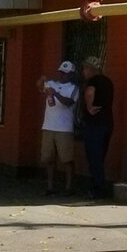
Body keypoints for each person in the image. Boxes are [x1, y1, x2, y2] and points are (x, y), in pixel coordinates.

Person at [37, 60, 79, 195]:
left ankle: (69, 187)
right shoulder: (51, 84)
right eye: (61, 72)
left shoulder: (74, 88)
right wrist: (41, 80)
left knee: (67, 159)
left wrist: (55, 93)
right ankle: (50, 187)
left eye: (66, 73)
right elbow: (39, 87)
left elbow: (68, 102)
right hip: (48, 126)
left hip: (64, 128)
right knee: (48, 158)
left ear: (71, 74)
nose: (63, 75)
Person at [80, 56, 114, 199]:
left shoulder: (93, 81)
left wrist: (89, 107)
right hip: (107, 123)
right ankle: (98, 186)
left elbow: (90, 92)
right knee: (100, 156)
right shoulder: (108, 82)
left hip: (94, 124)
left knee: (94, 157)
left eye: (85, 68)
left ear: (92, 69)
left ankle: (98, 189)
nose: (84, 71)